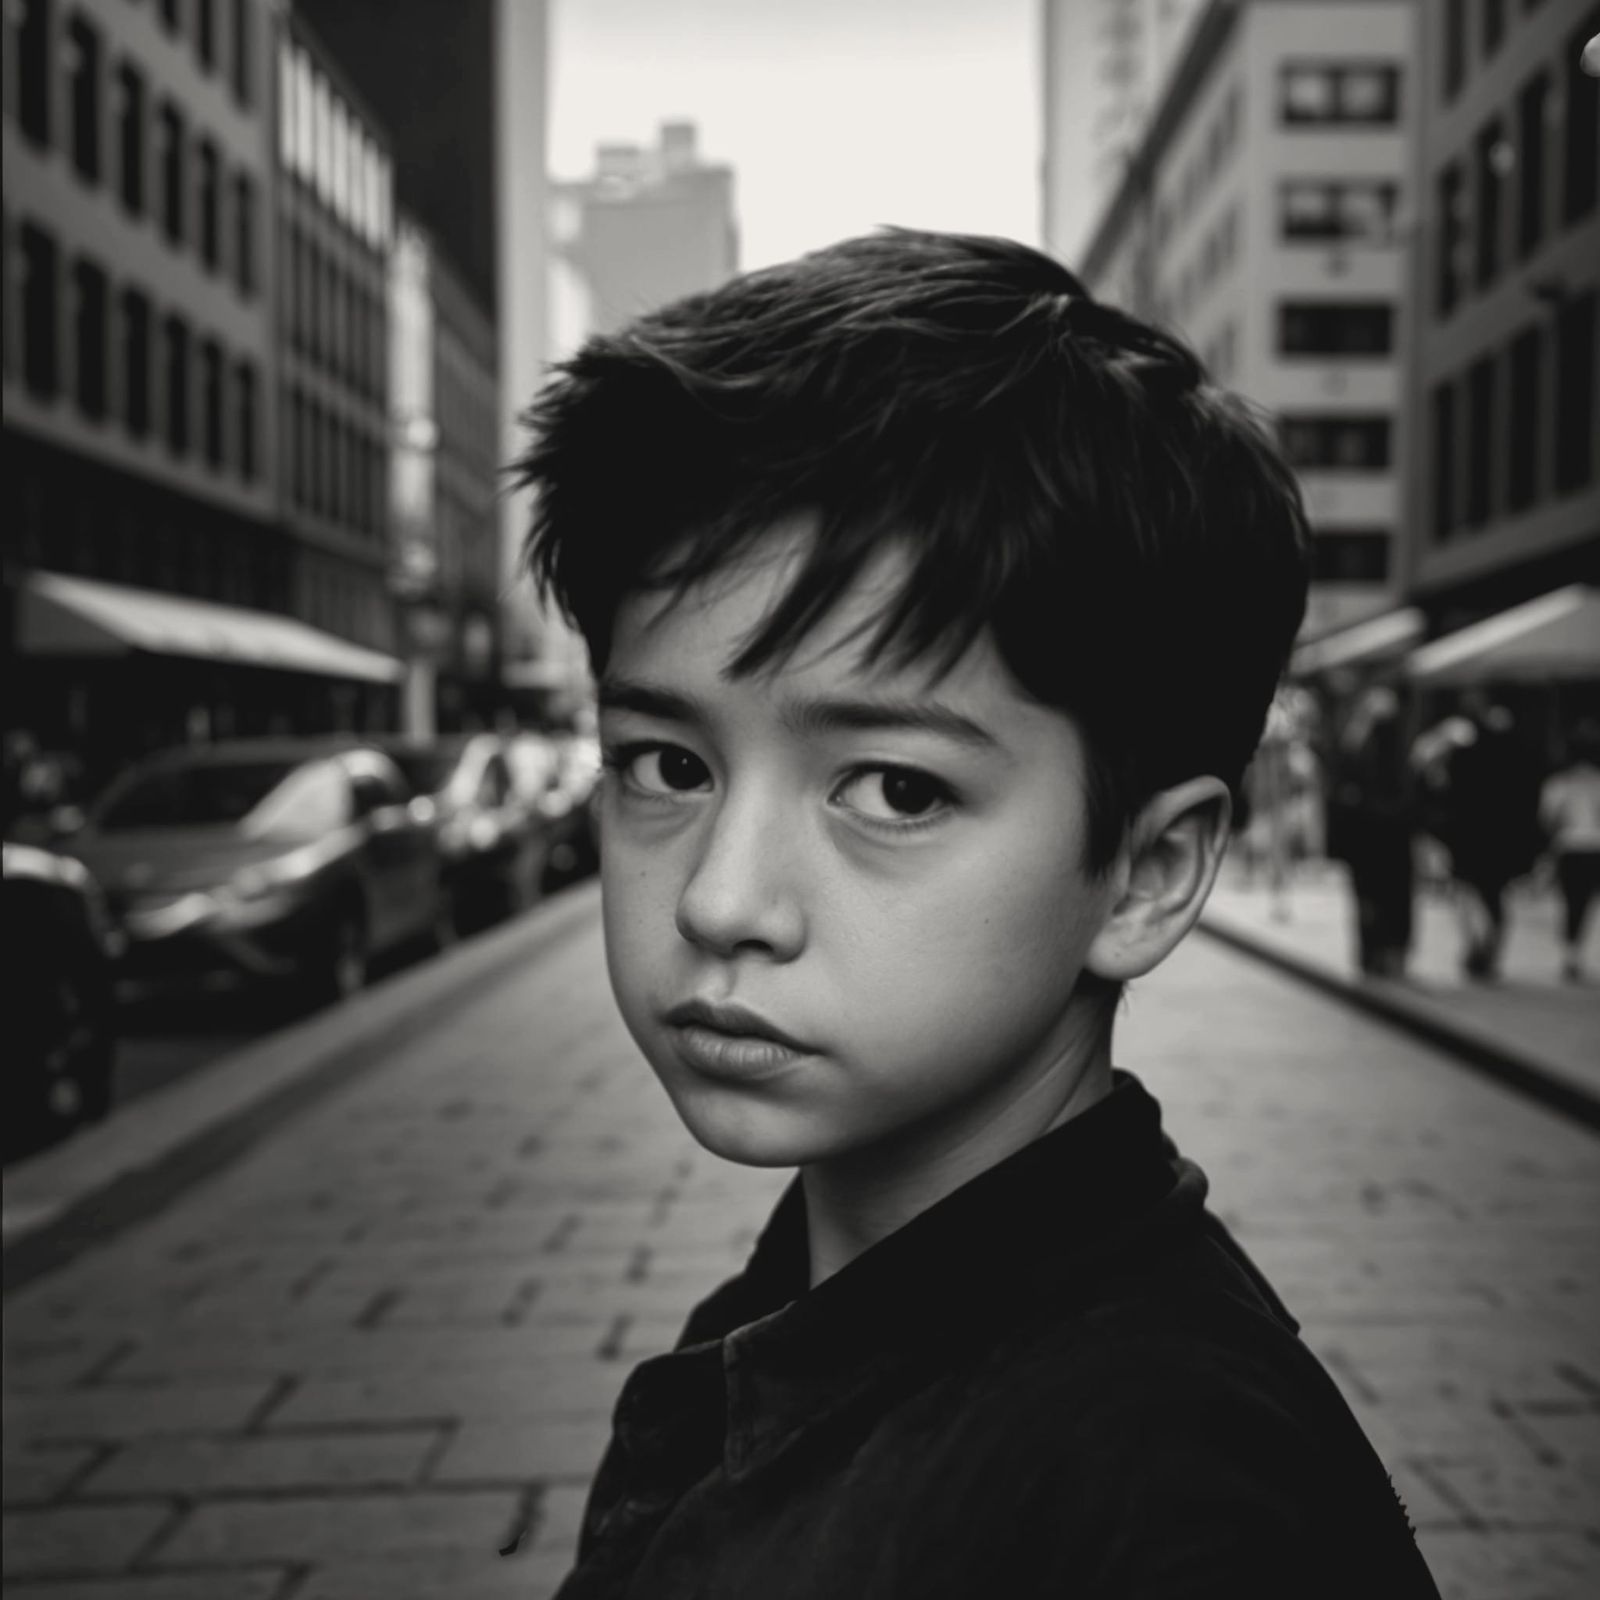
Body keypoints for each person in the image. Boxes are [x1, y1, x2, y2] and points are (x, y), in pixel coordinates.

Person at [516, 230, 1439, 1599]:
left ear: (1145, 874)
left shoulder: (1178, 1507)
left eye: (895, 789)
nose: (720, 899)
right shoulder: (806, 1314)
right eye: (668, 766)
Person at [1433, 698, 1544, 980]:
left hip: (1471, 841)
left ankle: (1479, 947)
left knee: (1471, 895)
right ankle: (1487, 949)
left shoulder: (1466, 758)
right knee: (1492, 897)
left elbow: (1448, 796)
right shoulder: (1520, 761)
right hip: (1499, 844)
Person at [1327, 684, 1414, 977]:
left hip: (1379, 836)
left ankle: (1380, 955)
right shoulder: (1359, 740)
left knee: (1381, 898)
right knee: (1377, 898)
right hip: (1374, 837)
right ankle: (1376, 955)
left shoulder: (1365, 741)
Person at [1540, 720, 1600, 982]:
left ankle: (1571, 952)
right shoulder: (1597, 782)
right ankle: (1576, 951)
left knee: (1571, 901)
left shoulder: (1559, 784)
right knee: (1586, 902)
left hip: (1570, 846)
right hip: (1595, 846)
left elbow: (1548, 818)